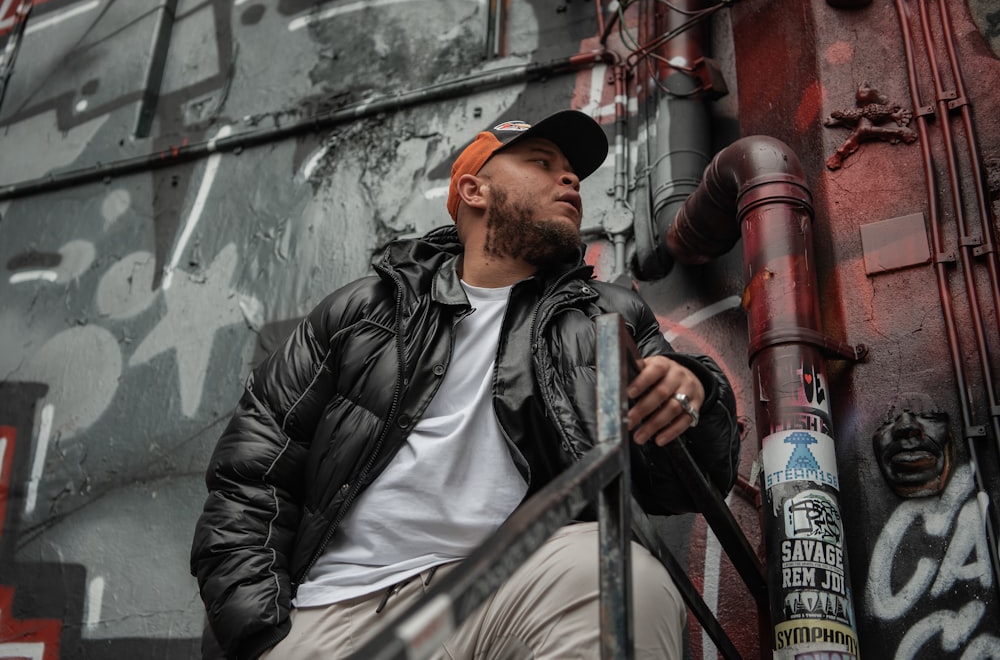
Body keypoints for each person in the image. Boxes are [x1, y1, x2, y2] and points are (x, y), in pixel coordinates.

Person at [190, 109, 740, 660]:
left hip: (501, 594)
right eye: (542, 163)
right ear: (474, 191)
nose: (570, 178)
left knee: (620, 574)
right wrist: (260, 633)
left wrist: (694, 396)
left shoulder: (607, 316)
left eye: (573, 171)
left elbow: (684, 483)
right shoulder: (364, 312)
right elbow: (252, 473)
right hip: (336, 609)